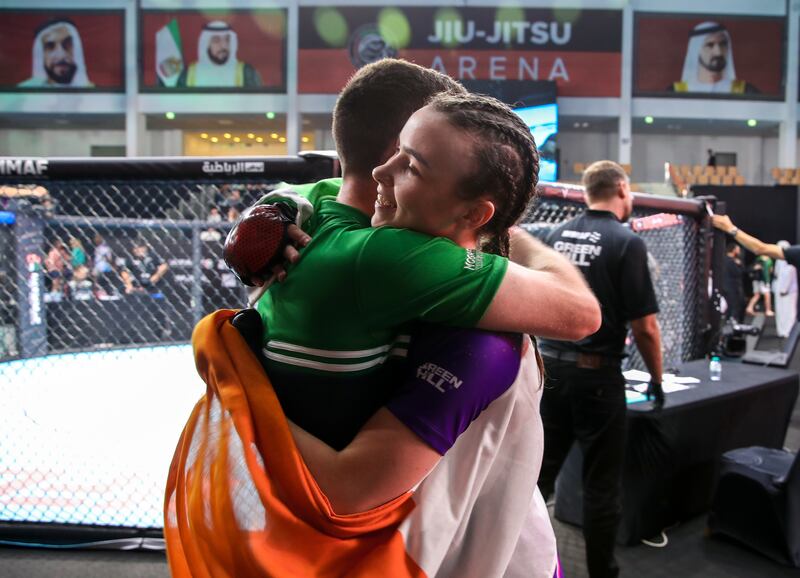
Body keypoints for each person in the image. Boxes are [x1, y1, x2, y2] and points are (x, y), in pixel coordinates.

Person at [166, 60, 597, 578]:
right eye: (399, 154)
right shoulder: (388, 258)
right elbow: (580, 313)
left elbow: (306, 191)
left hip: (285, 531)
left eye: (410, 163)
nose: (381, 173)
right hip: (456, 548)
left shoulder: (313, 206)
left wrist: (235, 384)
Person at [536, 160, 664, 578]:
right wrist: (657, 380)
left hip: (550, 368)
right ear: (622, 189)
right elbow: (644, 327)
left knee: (537, 478)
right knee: (601, 486)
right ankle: (601, 573)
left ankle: (519, 564)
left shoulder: (556, 234)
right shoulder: (626, 242)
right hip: (596, 377)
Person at [669, 21, 759, 94]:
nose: (718, 52)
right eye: (710, 45)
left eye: (723, 44)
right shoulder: (676, 92)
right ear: (696, 50)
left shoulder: (745, 92)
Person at [177, 21, 262, 87]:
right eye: (216, 40)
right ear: (206, 45)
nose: (223, 46)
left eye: (227, 40)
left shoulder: (246, 73)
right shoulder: (189, 74)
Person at [19, 19, 93, 88]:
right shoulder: (21, 93)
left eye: (67, 44)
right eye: (50, 46)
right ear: (41, 55)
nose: (61, 55)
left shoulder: (93, 91)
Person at [774, 241, 798, 338]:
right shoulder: (779, 261)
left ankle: (789, 331)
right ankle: (782, 330)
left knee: (790, 311)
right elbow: (777, 274)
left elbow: (789, 274)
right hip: (779, 288)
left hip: (789, 291)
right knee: (780, 311)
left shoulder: (790, 260)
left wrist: (785, 289)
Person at [721, 240, 746, 322]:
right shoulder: (731, 261)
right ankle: (733, 323)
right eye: (738, 249)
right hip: (733, 287)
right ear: (734, 250)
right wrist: (739, 265)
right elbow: (738, 273)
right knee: (734, 306)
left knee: (730, 306)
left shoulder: (723, 260)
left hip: (725, 285)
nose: (739, 252)